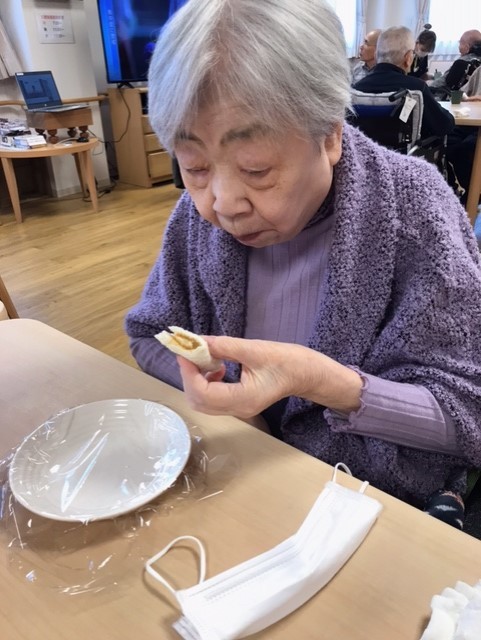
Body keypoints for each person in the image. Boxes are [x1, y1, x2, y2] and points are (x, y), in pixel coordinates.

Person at [125, 0, 481, 528]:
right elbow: (149, 333)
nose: (223, 203)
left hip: (373, 514)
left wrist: (327, 384)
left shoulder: (415, 210)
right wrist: (234, 408)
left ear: (330, 135)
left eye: (256, 169)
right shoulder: (195, 222)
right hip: (239, 487)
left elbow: (469, 410)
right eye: (194, 167)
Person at [353, 26, 455, 140]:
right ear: (408, 58)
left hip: (364, 150)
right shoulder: (417, 88)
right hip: (404, 151)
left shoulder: (356, 88)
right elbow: (444, 125)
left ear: (377, 55)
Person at [430, 29, 481, 99]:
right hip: (473, 101)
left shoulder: (461, 63)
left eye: (460, 43)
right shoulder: (478, 64)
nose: (459, 47)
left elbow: (440, 83)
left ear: (467, 47)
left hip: (452, 99)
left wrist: (427, 87)